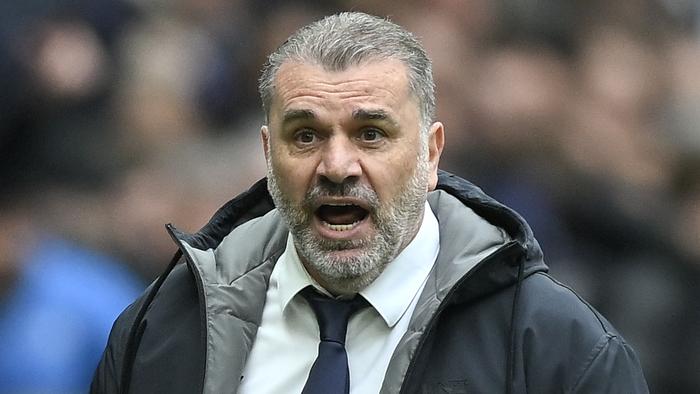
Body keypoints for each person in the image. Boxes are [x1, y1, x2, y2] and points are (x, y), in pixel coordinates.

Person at [91, 12, 648, 393]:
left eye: (371, 134)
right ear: (267, 154)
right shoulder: (159, 329)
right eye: (305, 135)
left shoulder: (558, 351)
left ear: (432, 155)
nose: (336, 166)